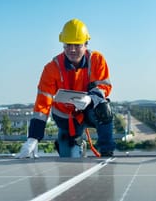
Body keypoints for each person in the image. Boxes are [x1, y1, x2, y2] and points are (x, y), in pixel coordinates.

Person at [16, 18, 115, 158]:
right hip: (65, 117)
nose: (72, 49)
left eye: (77, 45)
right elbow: (42, 105)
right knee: (68, 160)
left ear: (86, 44)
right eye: (68, 45)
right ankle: (69, 142)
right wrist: (33, 137)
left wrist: (90, 98)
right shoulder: (52, 68)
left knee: (104, 109)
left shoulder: (97, 60)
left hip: (89, 111)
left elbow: (103, 86)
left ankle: (106, 152)